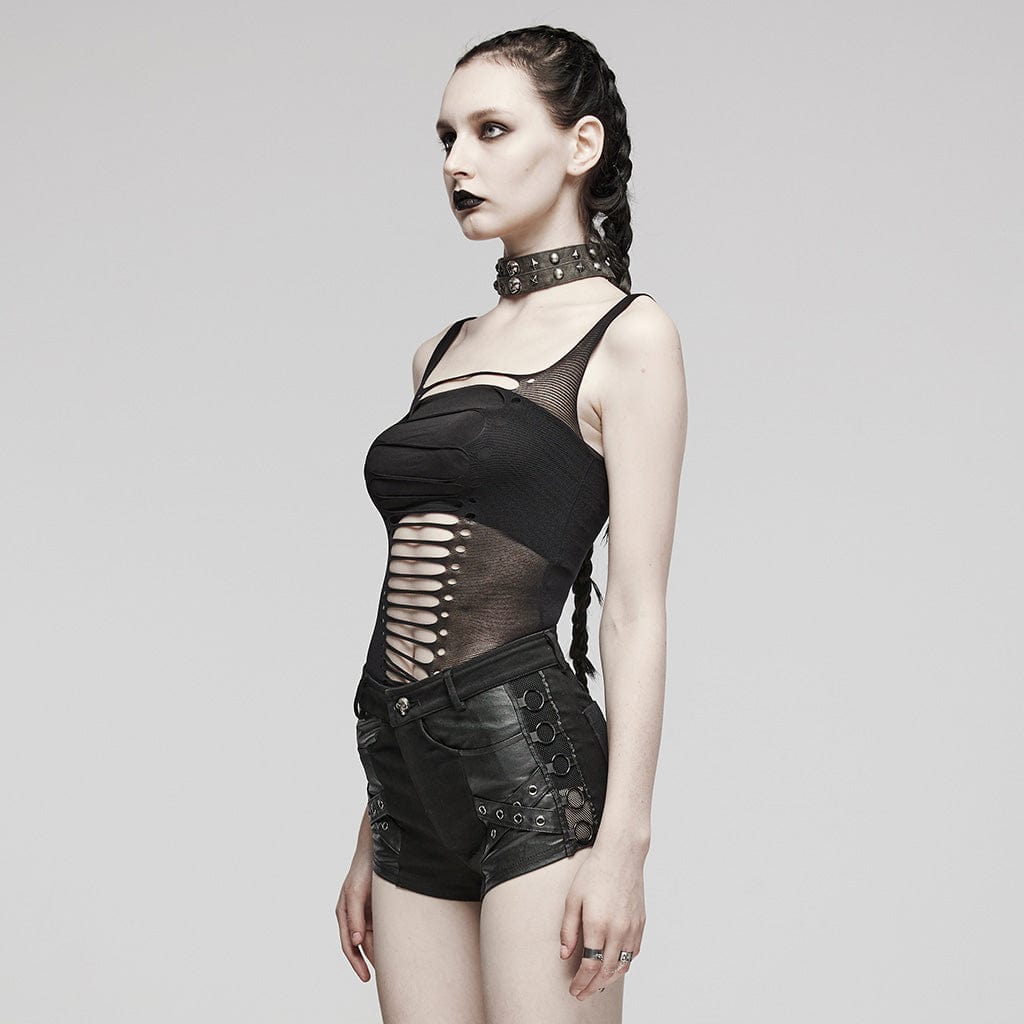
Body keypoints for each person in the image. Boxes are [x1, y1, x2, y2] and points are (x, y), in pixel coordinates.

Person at [336, 24, 687, 1023]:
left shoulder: (628, 337)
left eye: (491, 130)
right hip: (403, 774)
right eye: (447, 136)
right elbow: (411, 599)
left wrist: (622, 848)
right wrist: (371, 826)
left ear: (581, 145)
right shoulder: (439, 351)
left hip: (531, 765)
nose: (458, 161)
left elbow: (635, 609)